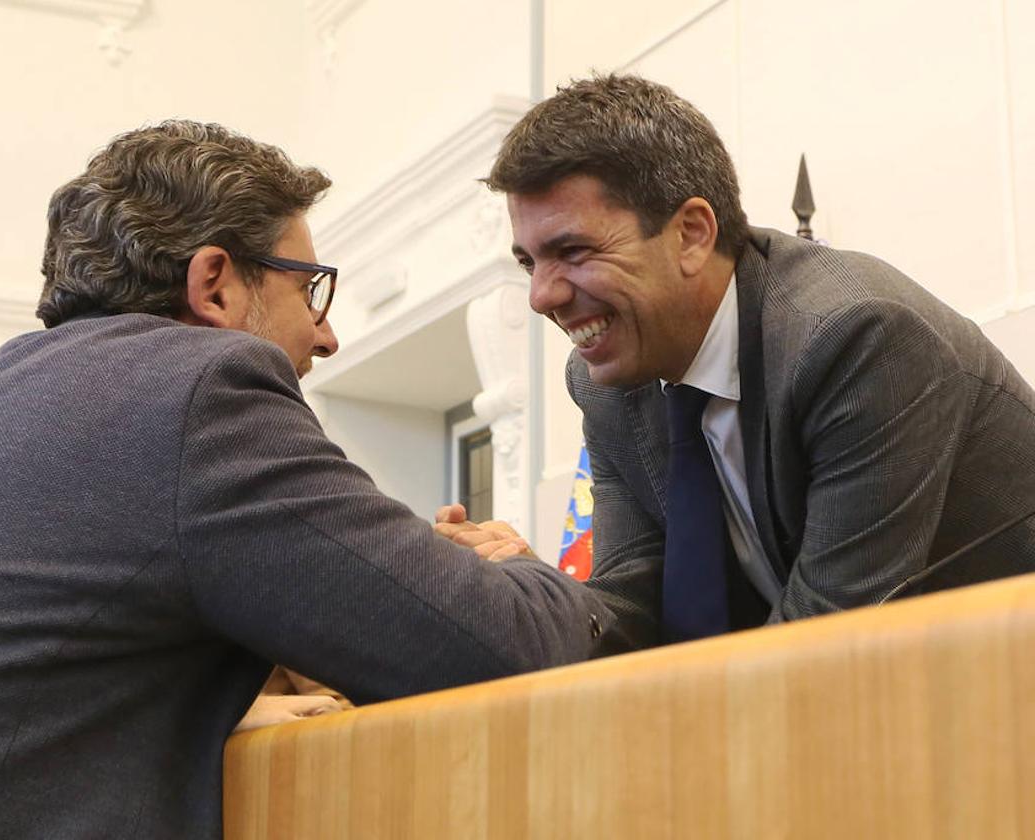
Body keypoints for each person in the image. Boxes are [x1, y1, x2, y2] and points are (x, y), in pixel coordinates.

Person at [0, 120, 613, 839]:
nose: (327, 333)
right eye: (309, 287)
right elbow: (509, 649)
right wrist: (504, 563)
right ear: (214, 284)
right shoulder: (196, 387)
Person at [442, 74, 1035, 652]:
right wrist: (530, 588)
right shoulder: (605, 387)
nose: (541, 296)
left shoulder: (855, 339)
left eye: (572, 251)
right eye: (529, 263)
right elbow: (636, 602)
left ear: (692, 235)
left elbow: (823, 642)